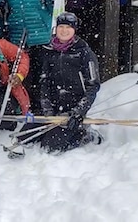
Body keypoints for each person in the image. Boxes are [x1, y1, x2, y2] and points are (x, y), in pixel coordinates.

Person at [30, 12, 102, 153]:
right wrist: (47, 108)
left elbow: (93, 86)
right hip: (55, 106)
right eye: (61, 27)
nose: (64, 30)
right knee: (27, 135)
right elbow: (44, 81)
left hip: (73, 108)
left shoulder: (84, 52)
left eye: (68, 27)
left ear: (74, 30)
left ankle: (85, 135)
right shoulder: (49, 50)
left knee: (51, 147)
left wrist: (79, 112)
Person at [3, 0, 56, 112]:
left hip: (40, 35)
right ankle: (24, 108)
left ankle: (41, 107)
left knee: (41, 74)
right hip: (18, 36)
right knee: (22, 75)